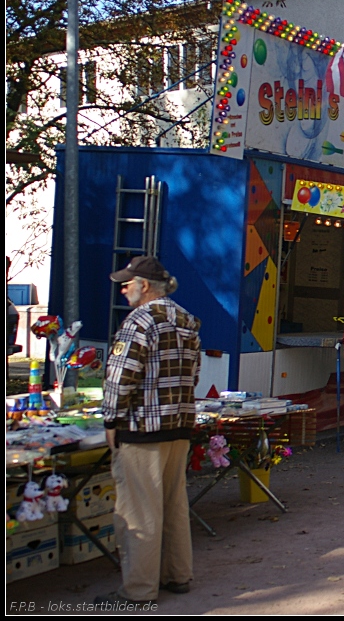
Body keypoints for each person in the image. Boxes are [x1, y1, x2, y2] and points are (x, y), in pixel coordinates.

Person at [96, 256, 200, 604]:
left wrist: (111, 419)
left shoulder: (138, 321)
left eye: (128, 282)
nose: (123, 287)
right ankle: (178, 574)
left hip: (142, 427)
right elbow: (193, 374)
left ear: (146, 285)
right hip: (179, 424)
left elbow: (120, 378)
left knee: (139, 511)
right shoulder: (185, 318)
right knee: (174, 504)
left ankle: (139, 589)